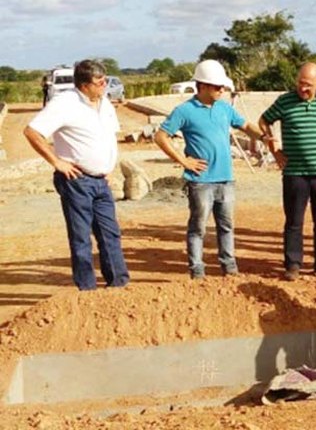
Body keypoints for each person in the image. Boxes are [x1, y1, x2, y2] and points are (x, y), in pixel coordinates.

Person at [154, 60, 267, 279]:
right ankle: (197, 269)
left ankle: (229, 266)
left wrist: (264, 137)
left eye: (222, 86)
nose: (222, 90)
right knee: (198, 227)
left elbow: (245, 125)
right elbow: (160, 136)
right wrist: (183, 160)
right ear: (203, 86)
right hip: (200, 180)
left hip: (226, 179)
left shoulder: (224, 108)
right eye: (217, 87)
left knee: (226, 225)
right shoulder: (184, 110)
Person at [23, 59, 130, 290]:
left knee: (110, 233)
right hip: (76, 180)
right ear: (84, 85)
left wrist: (108, 167)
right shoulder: (64, 104)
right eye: (99, 82)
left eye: (105, 80)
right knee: (81, 237)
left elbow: (109, 137)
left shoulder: (105, 103)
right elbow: (32, 132)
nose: (104, 85)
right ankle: (87, 289)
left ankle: (118, 284)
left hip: (102, 180)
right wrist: (57, 162)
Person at [259, 62, 316, 281]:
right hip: (294, 173)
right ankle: (293, 264)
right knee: (294, 221)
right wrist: (274, 149)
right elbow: (264, 121)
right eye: (300, 83)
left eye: (308, 84)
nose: (303, 88)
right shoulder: (285, 101)